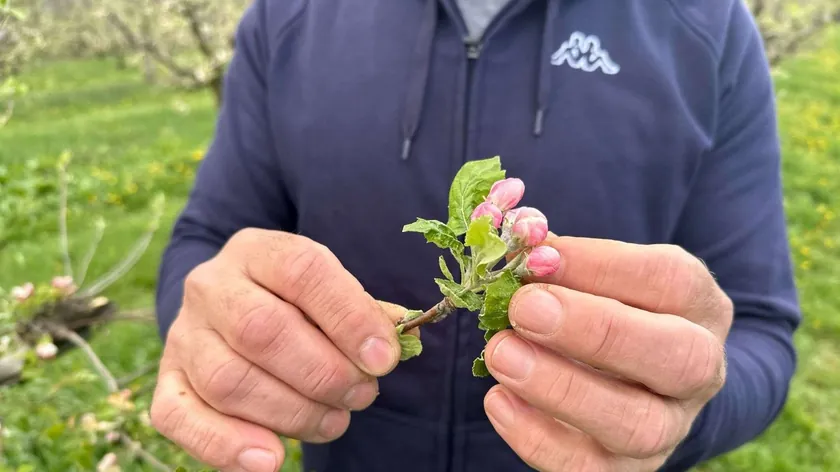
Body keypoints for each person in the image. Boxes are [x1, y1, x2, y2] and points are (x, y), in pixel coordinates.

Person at [151, 0, 801, 471]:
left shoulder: (707, 25)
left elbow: (759, 328)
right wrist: (219, 324)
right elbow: (207, 240)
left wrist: (684, 410)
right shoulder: (287, 17)